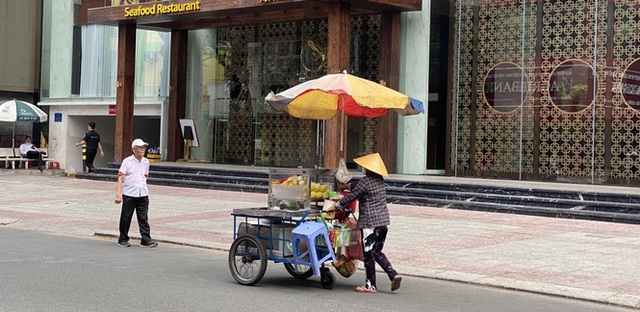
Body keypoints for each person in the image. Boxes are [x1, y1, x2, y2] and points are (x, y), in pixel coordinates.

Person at [335, 152, 402, 293]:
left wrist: (338, 204)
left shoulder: (365, 181)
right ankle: (393, 275)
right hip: (384, 222)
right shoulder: (380, 180)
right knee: (377, 251)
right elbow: (360, 189)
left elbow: (354, 195)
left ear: (370, 169)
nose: (364, 169)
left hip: (370, 223)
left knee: (368, 254)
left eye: (366, 167)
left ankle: (370, 286)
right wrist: (348, 186)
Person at [114, 138, 158, 248]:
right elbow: (120, 178)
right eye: (140, 147)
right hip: (129, 193)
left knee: (143, 217)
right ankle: (123, 239)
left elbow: (145, 176)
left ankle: (146, 239)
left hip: (142, 193)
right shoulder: (127, 161)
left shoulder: (146, 162)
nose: (142, 149)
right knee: (126, 217)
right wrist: (118, 194)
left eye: (144, 147)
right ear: (134, 149)